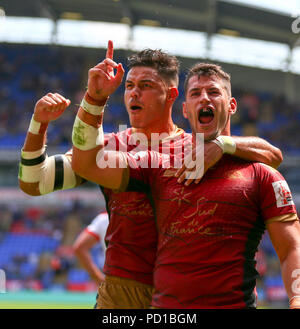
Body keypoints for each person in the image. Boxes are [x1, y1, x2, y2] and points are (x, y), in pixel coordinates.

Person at [19, 41, 283, 309]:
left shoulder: (199, 148)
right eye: (129, 86)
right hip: (122, 293)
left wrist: (226, 144)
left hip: (183, 295)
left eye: (145, 86)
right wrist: (39, 124)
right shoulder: (107, 147)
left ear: (171, 95)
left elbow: (272, 156)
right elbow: (34, 182)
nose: (134, 94)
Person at [73, 212, 109, 286]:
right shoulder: (138, 217)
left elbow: (79, 248)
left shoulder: (104, 218)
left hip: (115, 280)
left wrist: (98, 278)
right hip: (138, 278)